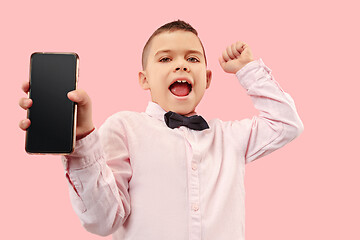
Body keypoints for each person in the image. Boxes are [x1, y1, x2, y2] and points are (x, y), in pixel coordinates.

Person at [19, 20, 304, 240]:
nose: (181, 64)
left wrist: (248, 70)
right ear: (144, 79)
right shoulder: (124, 127)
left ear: (207, 78)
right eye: (165, 59)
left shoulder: (229, 137)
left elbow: (287, 123)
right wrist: (82, 140)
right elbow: (103, 220)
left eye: (192, 59)